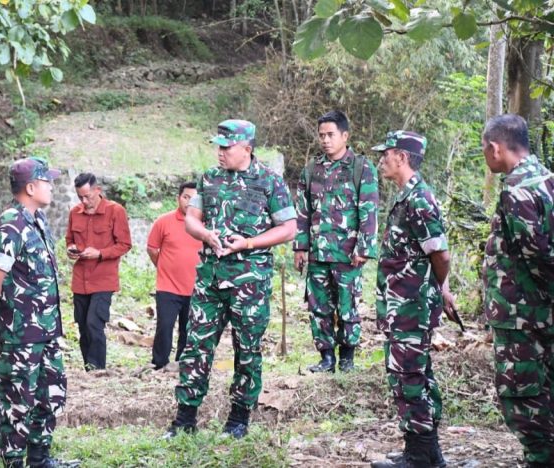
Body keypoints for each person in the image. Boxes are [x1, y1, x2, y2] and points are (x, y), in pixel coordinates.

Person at [165, 119, 297, 439]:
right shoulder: (209, 179)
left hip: (249, 282)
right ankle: (184, 420)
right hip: (210, 278)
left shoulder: (270, 182)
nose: (220, 153)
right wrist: (207, 235)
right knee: (196, 346)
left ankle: (238, 419)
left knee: (247, 348)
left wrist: (249, 243)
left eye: (227, 147)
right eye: (218, 146)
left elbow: (289, 228)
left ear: (246, 149)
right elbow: (191, 222)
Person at [371, 131, 458, 468]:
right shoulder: (407, 197)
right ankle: (426, 451)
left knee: (409, 376)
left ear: (402, 158)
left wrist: (436, 287)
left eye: (386, 154)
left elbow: (441, 254)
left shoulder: (419, 200)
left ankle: (420, 455)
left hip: (411, 307)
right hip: (402, 305)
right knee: (414, 374)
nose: (382, 160)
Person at [0, 157, 75, 468]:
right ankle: (13, 462)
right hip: (21, 334)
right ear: (31, 187)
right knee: (18, 403)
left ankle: (39, 458)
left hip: (46, 330)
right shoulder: (10, 224)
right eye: (46, 181)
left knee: (50, 394)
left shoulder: (38, 220)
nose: (51, 185)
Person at [481, 114, 554, 468]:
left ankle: (540, 459)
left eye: (485, 149)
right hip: (540, 313)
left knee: (522, 396)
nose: (485, 156)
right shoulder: (547, 179)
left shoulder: (517, 190)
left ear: (496, 148)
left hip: (524, 316)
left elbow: (537, 256)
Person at [293, 110, 378, 373]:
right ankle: (326, 357)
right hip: (318, 254)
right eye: (321, 136)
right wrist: (301, 247)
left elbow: (369, 209)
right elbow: (303, 212)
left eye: (330, 135)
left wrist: (364, 247)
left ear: (345, 135)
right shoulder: (311, 170)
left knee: (347, 307)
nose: (325, 140)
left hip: (347, 254)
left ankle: (347, 359)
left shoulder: (361, 168)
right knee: (318, 307)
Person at [65, 173, 132, 370]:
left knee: (95, 324)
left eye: (88, 197)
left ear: (98, 191)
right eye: (80, 197)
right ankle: (89, 368)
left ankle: (98, 370)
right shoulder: (74, 213)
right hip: (80, 280)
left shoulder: (115, 211)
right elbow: (69, 239)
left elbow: (125, 244)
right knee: (83, 327)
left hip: (103, 279)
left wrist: (100, 253)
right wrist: (71, 249)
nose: (85, 202)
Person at [146, 181, 202, 370]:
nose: (189, 202)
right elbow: (152, 249)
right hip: (168, 286)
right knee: (165, 326)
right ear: (178, 198)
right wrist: (163, 267)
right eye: (185, 197)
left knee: (189, 328)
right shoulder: (164, 221)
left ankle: (182, 362)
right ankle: (159, 363)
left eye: (194, 198)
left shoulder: (204, 223)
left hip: (195, 287)